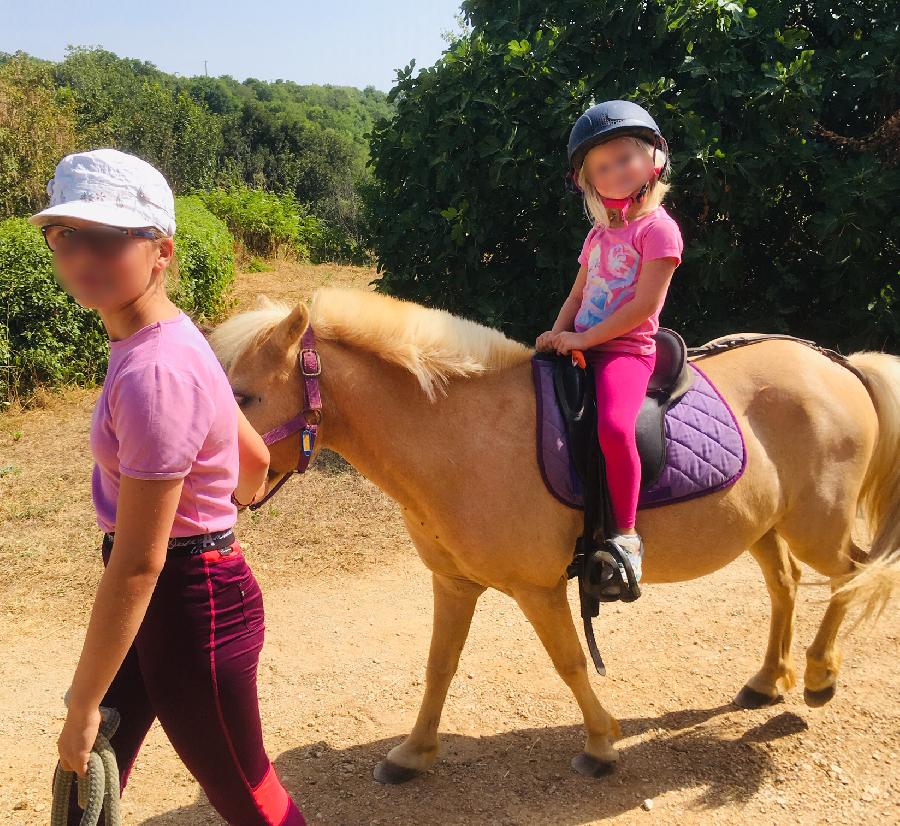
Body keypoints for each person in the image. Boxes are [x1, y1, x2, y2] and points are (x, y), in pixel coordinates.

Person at [33, 148, 306, 825]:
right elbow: (253, 463)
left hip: (188, 604)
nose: (81, 256)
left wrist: (80, 703)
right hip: (175, 593)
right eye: (65, 237)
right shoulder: (172, 335)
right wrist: (217, 499)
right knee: (89, 782)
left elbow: (139, 558)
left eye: (107, 238)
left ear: (160, 250)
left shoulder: (153, 372)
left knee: (249, 797)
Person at [535, 100, 684, 600]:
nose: (614, 170)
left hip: (626, 350)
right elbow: (578, 295)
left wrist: (582, 339)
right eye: (602, 166)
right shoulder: (599, 234)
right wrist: (555, 334)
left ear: (653, 161)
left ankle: (625, 536)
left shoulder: (658, 230)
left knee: (616, 427)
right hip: (582, 345)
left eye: (624, 158)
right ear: (589, 182)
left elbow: (644, 307)